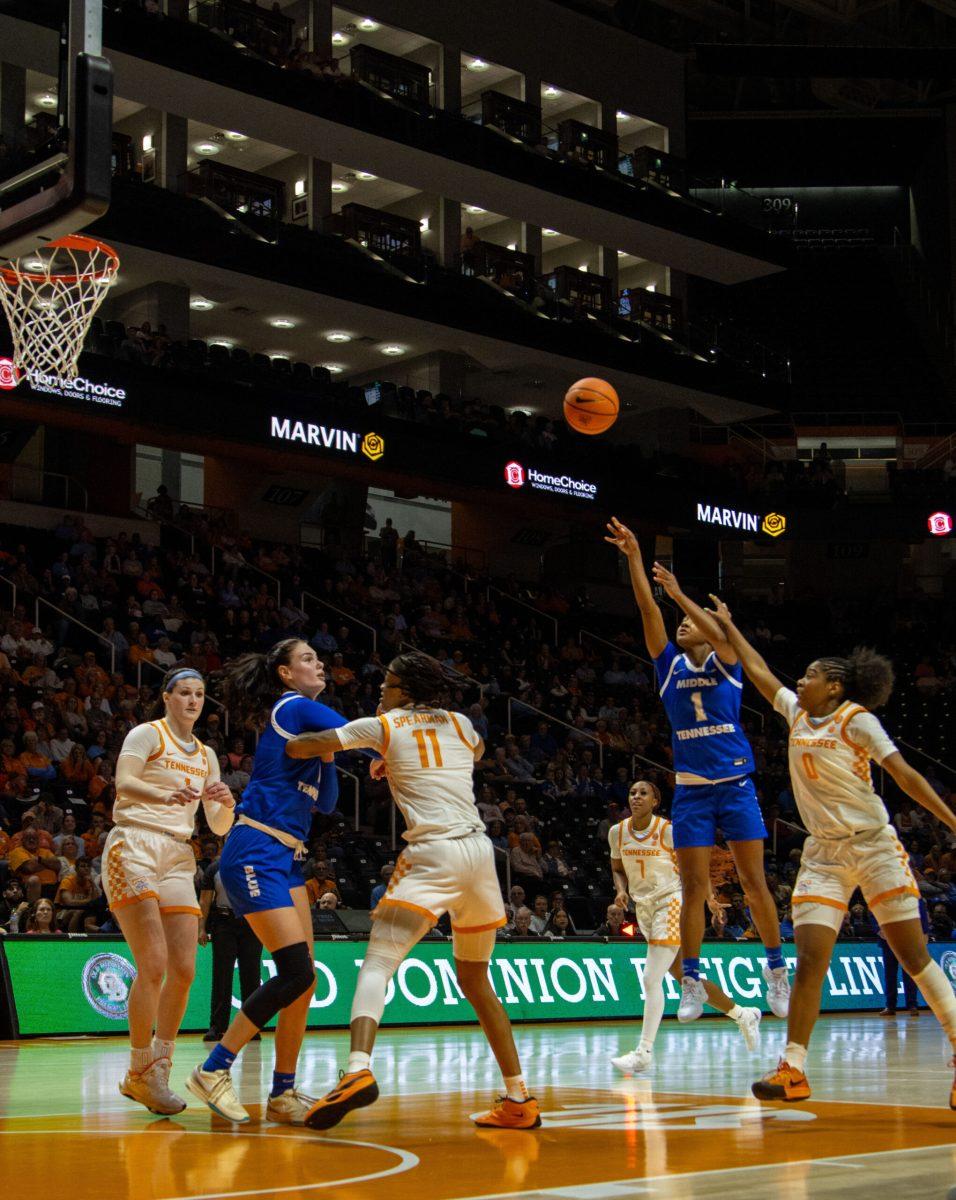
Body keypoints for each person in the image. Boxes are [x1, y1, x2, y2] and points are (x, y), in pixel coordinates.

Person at [707, 596, 956, 1107]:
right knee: (810, 961)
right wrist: (730, 628)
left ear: (835, 686)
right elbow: (757, 671)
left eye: (810, 675)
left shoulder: (856, 720)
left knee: (913, 957)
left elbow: (905, 776)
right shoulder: (796, 711)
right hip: (823, 853)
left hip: (874, 847)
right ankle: (793, 1068)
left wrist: (951, 818)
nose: (800, 681)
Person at [285, 651, 540, 1132]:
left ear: (407, 691)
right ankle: (519, 1098)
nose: (380, 691)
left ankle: (357, 1070)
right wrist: (398, 761)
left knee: (379, 960)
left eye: (388, 684)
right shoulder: (463, 724)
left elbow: (305, 746)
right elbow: (471, 753)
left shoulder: (385, 724)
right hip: (481, 855)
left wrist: (374, 750)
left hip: (434, 853)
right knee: (476, 981)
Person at [604, 518, 789, 1022]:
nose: (682, 625)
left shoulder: (727, 663)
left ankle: (777, 970)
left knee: (754, 883)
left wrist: (683, 596)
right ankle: (690, 979)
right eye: (681, 621)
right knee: (693, 888)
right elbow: (647, 607)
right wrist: (636, 558)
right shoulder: (668, 666)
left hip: (735, 786)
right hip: (691, 792)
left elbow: (721, 633)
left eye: (691, 623)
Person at [186, 639, 345, 1126]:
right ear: (284, 673)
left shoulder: (309, 733)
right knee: (295, 972)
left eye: (318, 659)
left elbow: (328, 804)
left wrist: (327, 753)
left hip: (287, 858)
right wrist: (391, 732)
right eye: (307, 659)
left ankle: (283, 1092)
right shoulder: (293, 707)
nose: (318, 664)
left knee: (306, 980)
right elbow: (359, 731)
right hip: (254, 847)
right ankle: (213, 1069)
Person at [103, 667, 235, 1116]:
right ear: (167, 697)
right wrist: (164, 796)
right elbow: (123, 784)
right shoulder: (147, 735)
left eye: (199, 694)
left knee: (183, 969)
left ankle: (159, 1067)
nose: (193, 701)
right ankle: (139, 1071)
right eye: (184, 693)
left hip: (179, 855)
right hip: (134, 843)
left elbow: (217, 826)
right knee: (153, 963)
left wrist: (224, 803)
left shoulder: (206, 754)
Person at [608, 779, 761, 1075]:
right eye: (632, 793)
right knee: (683, 976)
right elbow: (617, 869)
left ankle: (644, 1052)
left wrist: (711, 901)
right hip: (644, 907)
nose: (636, 797)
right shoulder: (617, 832)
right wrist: (620, 890)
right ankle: (744, 1015)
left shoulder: (668, 831)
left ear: (655, 800)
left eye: (643, 793)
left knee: (651, 978)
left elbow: (694, 871)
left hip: (672, 901)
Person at [198, 856, 263, 1043]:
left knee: (251, 976)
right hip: (223, 922)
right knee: (222, 975)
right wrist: (201, 927)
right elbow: (204, 901)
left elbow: (263, 897)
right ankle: (217, 1027)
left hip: (252, 922)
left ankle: (250, 1028)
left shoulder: (255, 865)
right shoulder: (214, 868)